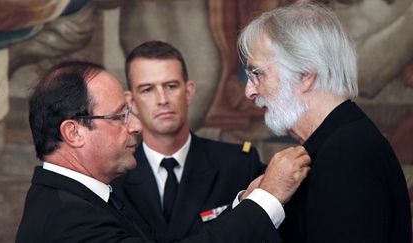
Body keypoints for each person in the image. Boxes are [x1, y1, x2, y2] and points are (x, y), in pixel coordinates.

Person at [16, 60, 311, 242]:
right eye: (120, 116)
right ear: (74, 132)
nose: (135, 126)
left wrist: (245, 203)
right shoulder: (69, 218)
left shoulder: (79, 199)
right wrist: (267, 199)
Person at [239, 2, 412, 243]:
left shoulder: (347, 152)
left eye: (257, 74)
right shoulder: (337, 143)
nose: (249, 92)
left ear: (304, 75)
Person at [111, 40, 266, 243]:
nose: (162, 99)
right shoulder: (114, 179)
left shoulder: (238, 165)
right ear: (131, 102)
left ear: (189, 92)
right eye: (147, 89)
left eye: (171, 86)